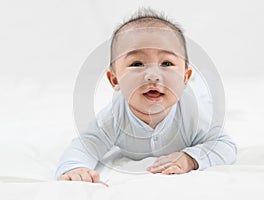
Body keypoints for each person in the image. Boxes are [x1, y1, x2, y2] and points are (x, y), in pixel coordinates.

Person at [55, 8, 237, 186]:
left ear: (184, 78)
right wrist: (74, 168)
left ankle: (203, 81)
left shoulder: (193, 113)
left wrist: (190, 159)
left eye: (166, 63)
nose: (152, 75)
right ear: (114, 79)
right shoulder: (114, 117)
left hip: (199, 96)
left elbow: (225, 145)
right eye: (137, 63)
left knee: (209, 97)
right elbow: (86, 144)